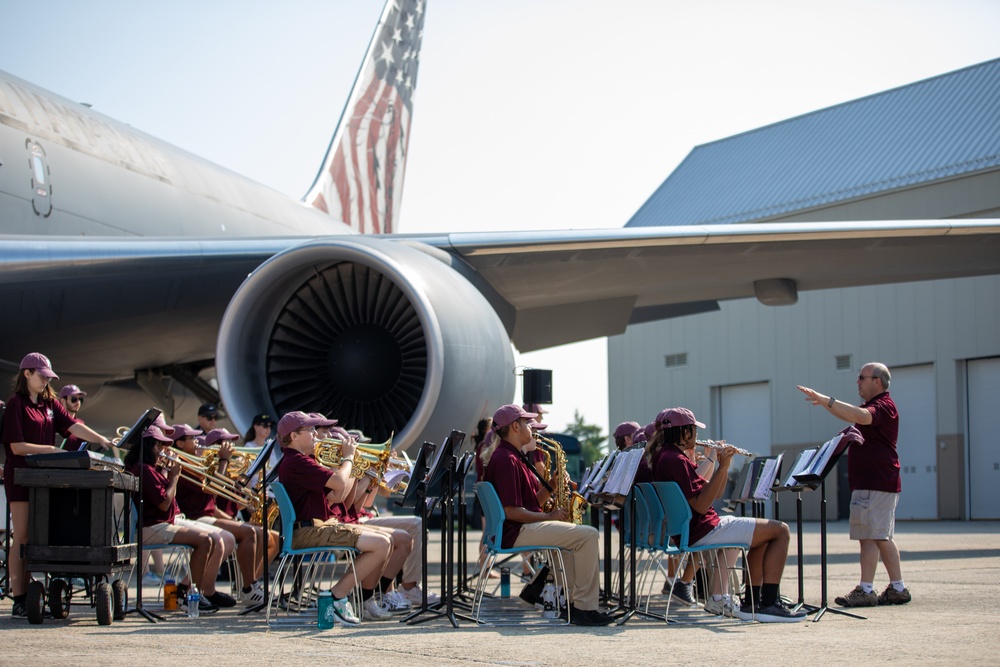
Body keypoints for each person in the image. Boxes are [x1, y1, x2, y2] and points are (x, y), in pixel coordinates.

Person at [643, 407, 805, 622]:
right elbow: (701, 506)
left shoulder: (665, 456)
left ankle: (741, 601)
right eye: (694, 431)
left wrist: (720, 465)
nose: (698, 436)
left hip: (695, 527)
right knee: (780, 531)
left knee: (762, 535)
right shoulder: (676, 460)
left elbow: (714, 493)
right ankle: (768, 603)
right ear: (684, 433)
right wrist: (722, 466)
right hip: (703, 528)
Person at [483, 404, 613, 626]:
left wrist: (551, 485)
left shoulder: (512, 456)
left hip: (515, 529)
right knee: (588, 535)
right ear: (515, 426)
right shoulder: (507, 459)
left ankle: (572, 603)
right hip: (515, 531)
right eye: (526, 423)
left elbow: (531, 504)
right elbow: (511, 511)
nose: (531, 429)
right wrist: (550, 517)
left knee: (574, 540)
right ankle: (584, 607)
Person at [2, 353, 112, 618]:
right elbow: (16, 446)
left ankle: (39, 592)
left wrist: (102, 440)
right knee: (24, 536)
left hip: (46, 477)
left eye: (47, 377)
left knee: (43, 535)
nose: (45, 381)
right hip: (21, 476)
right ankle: (19, 596)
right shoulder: (16, 404)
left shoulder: (50, 403)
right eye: (41, 376)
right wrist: (50, 450)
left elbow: (72, 426)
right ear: (26, 374)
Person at [797, 362, 912, 607]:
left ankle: (870, 589)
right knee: (876, 535)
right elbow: (852, 414)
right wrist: (827, 404)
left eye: (862, 377)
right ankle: (893, 588)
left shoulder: (883, 406)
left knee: (874, 535)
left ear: (877, 382)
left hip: (876, 482)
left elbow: (860, 417)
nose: (858, 382)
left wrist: (827, 400)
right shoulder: (875, 406)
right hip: (874, 481)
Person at [276, 411, 392, 625]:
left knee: (387, 539)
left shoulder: (301, 461)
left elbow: (337, 495)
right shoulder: (297, 462)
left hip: (318, 527)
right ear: (293, 436)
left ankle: (342, 595)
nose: (315, 434)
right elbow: (338, 483)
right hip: (309, 531)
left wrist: (349, 467)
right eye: (309, 430)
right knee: (381, 544)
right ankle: (336, 596)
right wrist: (348, 457)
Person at [124, 424, 234, 613]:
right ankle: (187, 593)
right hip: (153, 527)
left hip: (163, 522)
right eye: (159, 446)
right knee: (205, 540)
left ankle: (186, 590)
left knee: (214, 537)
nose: (163, 451)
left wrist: (166, 473)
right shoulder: (144, 469)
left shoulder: (150, 468)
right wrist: (174, 477)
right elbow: (164, 503)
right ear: (149, 446)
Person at [171, 424, 278, 607]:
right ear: (180, 444)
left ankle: (247, 584)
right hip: (197, 518)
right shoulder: (188, 464)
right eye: (225, 444)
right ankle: (247, 587)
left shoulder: (203, 464)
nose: (230, 448)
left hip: (207, 518)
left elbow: (223, 497)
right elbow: (213, 490)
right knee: (250, 533)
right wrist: (223, 461)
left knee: (267, 535)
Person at [57, 384, 88, 450]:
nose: (78, 402)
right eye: (74, 399)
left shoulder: (80, 423)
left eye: (80, 399)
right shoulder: (54, 421)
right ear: (63, 401)